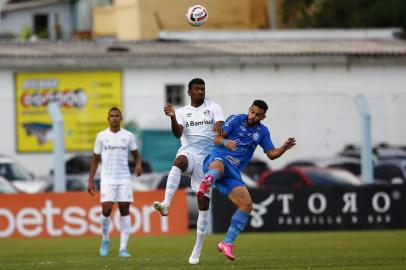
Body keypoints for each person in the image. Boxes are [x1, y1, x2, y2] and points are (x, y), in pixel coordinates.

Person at [196, 100, 296, 261]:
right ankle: (206, 182)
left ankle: (226, 243)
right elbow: (216, 139)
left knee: (247, 205)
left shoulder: (263, 132)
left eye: (258, 115)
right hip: (217, 159)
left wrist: (284, 147)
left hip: (233, 172)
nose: (253, 116)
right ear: (249, 110)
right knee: (219, 166)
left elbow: (271, 154)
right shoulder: (236, 119)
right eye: (252, 112)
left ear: (263, 116)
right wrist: (225, 141)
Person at [152, 78, 224, 264]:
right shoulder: (183, 112)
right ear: (189, 92)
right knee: (179, 161)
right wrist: (172, 117)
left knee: (202, 204)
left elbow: (221, 124)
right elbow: (177, 134)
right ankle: (166, 203)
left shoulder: (214, 107)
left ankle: (197, 249)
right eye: (197, 89)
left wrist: (219, 126)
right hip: (190, 153)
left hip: (208, 160)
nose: (201, 91)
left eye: (203, 88)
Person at [87, 107, 143, 257]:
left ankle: (123, 248)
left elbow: (136, 155)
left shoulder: (128, 136)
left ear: (121, 118)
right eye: (111, 116)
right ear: (108, 118)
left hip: (124, 178)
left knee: (124, 210)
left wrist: (138, 165)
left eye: (117, 116)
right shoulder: (101, 136)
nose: (114, 118)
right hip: (107, 179)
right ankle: (105, 239)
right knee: (106, 210)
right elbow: (95, 158)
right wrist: (91, 179)